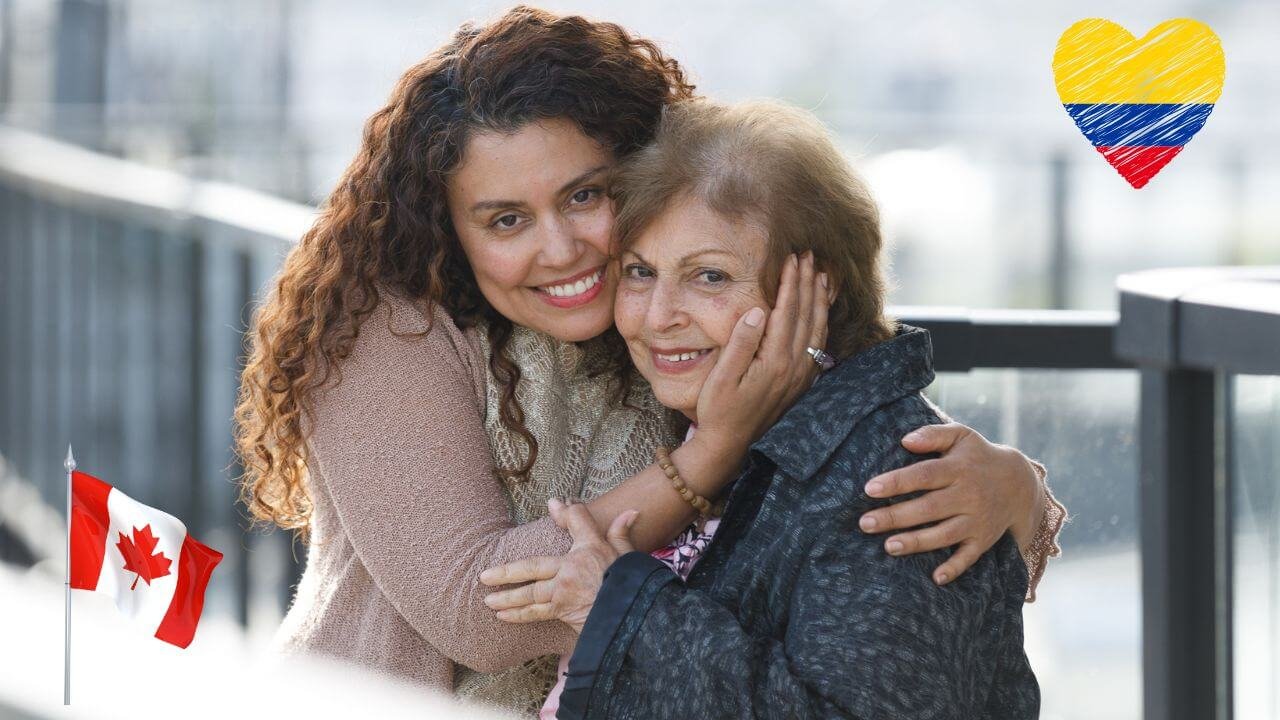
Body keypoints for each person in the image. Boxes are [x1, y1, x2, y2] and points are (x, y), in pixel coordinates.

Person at [233, 6, 1063, 716]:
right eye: (505, 220)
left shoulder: (673, 316)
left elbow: (850, 430)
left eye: (584, 195)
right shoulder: (390, 331)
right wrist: (710, 455)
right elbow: (473, 611)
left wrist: (1017, 493)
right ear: (449, 226)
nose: (561, 249)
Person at [483, 99, 1039, 719]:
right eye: (640, 272)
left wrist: (624, 610)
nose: (658, 316)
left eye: (710, 277)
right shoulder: (719, 421)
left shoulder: (897, 479)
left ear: (816, 289)